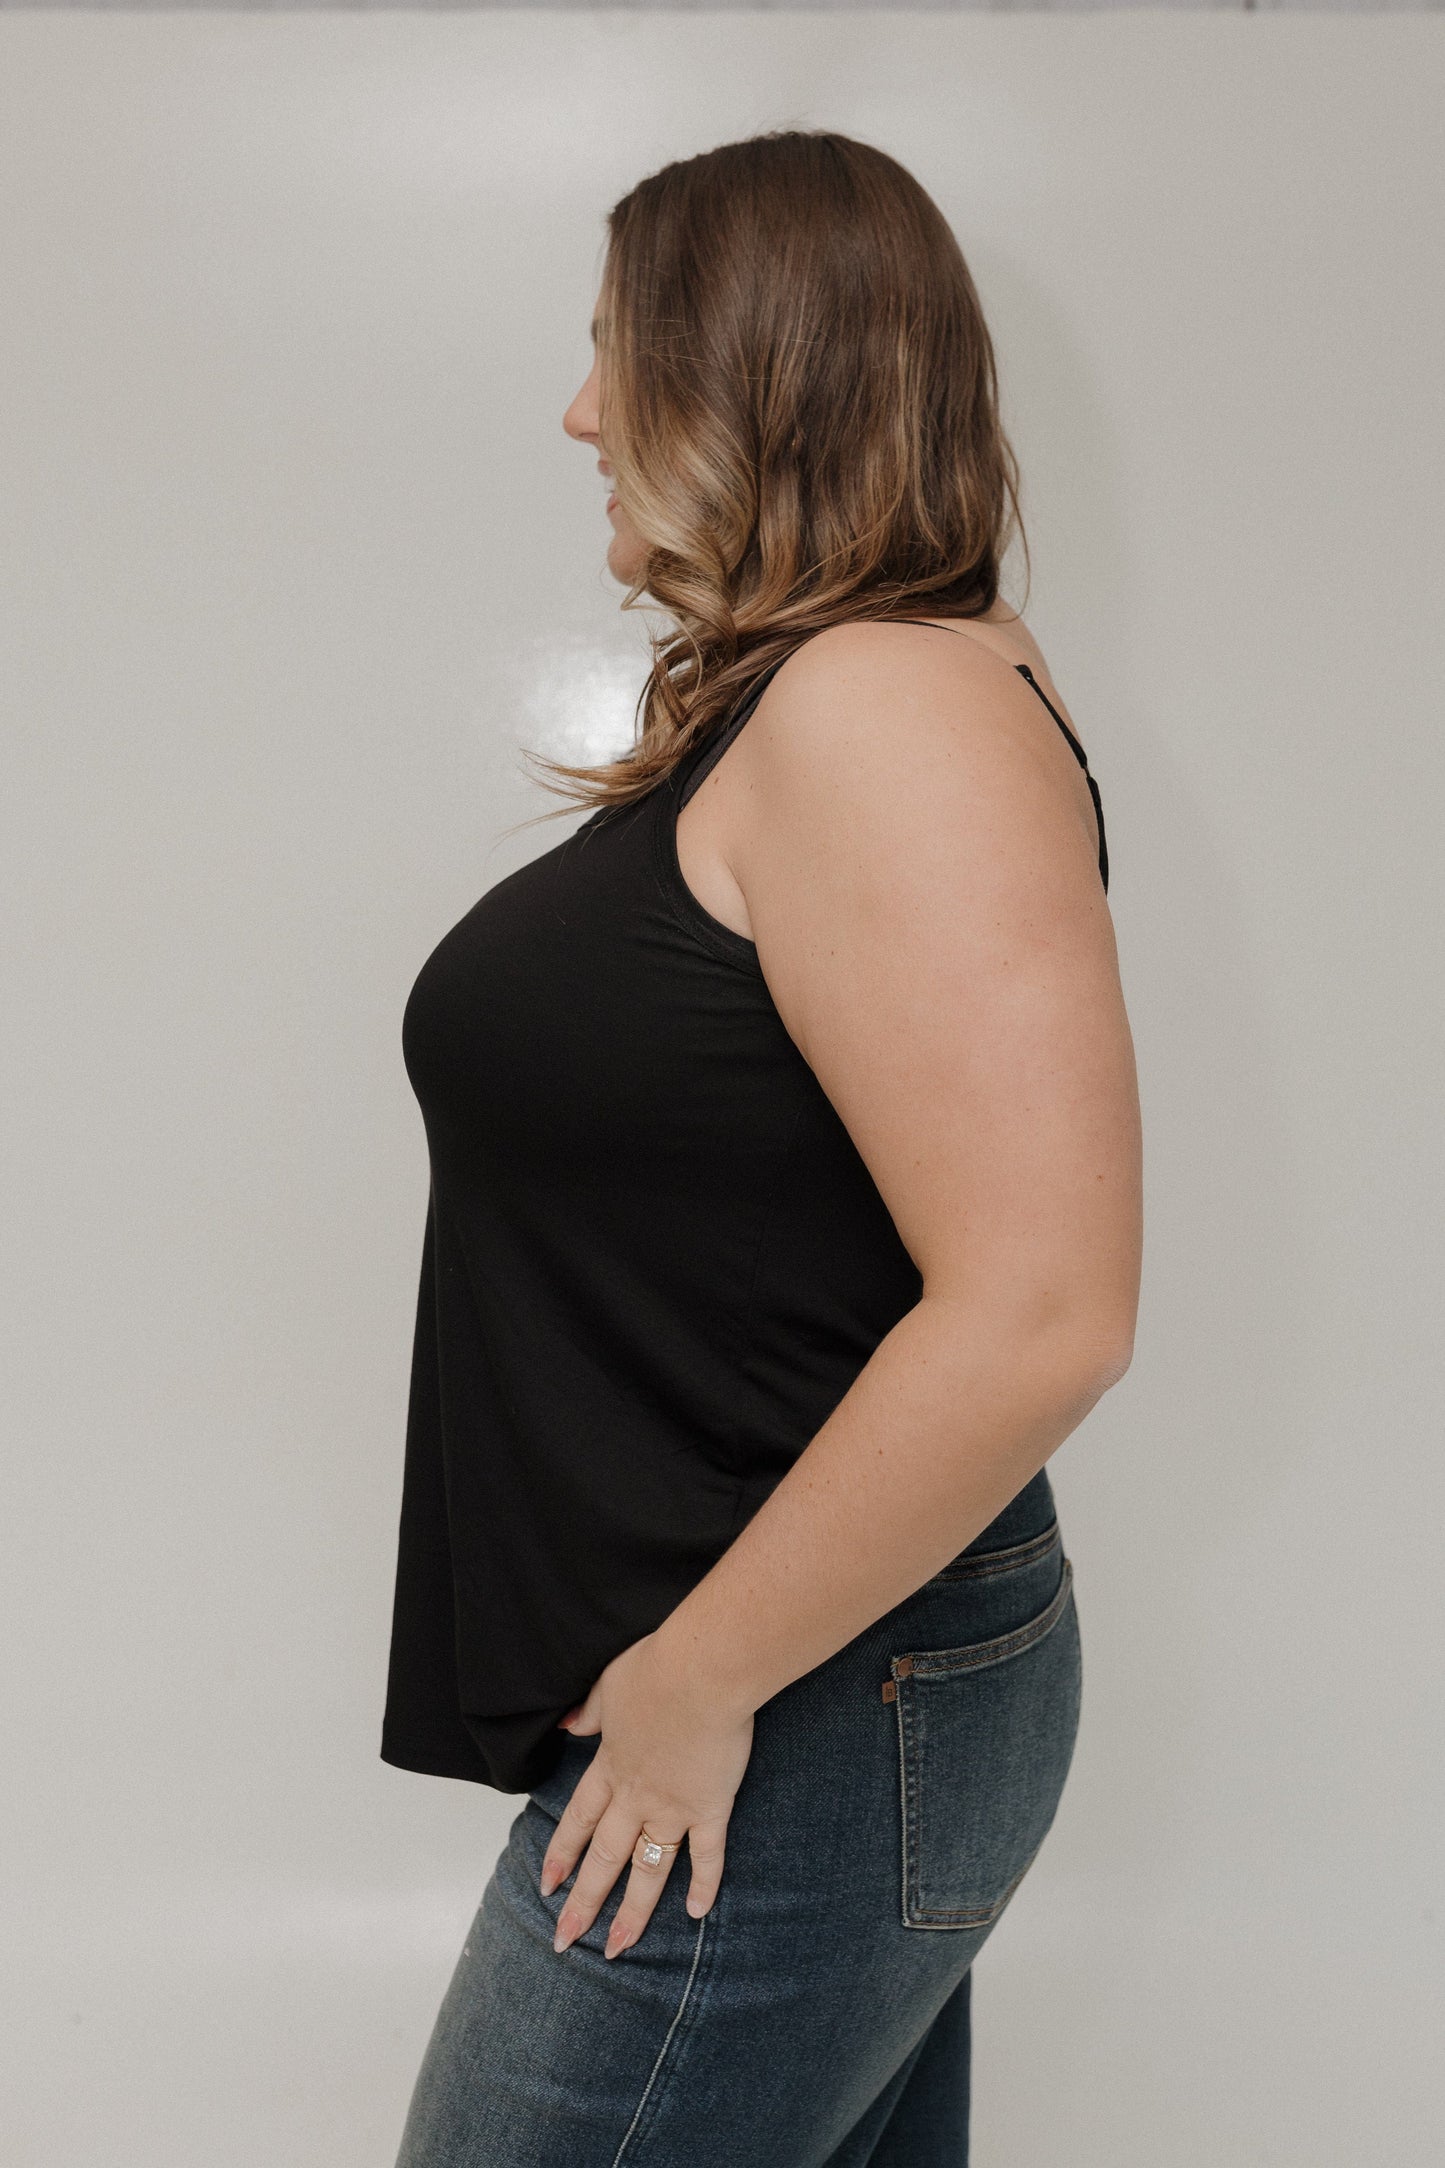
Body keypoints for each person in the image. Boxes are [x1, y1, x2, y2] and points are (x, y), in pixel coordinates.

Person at [383, 129, 1142, 2168]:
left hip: (800, 1685)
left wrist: (707, 1676)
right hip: (818, 1671)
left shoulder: (887, 708)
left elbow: (1047, 1307)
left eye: (614, 349)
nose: (576, 410)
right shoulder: (852, 692)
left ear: (754, 373)